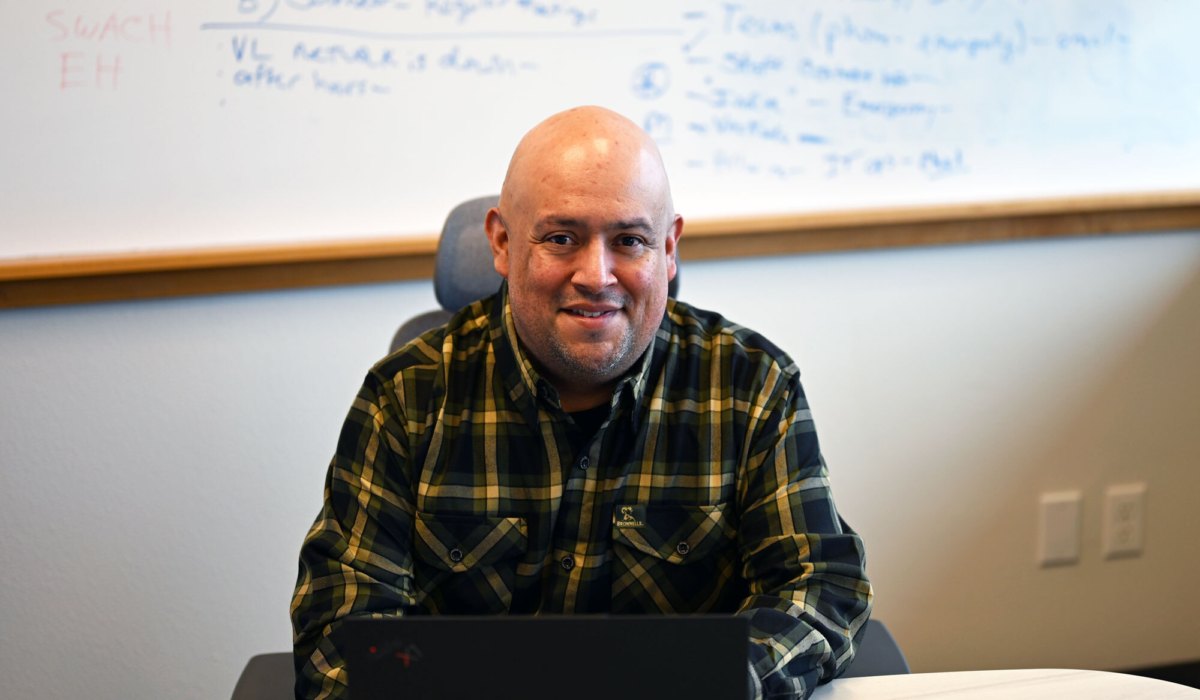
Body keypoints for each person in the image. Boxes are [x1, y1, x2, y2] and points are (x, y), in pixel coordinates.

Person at [290, 106, 873, 700]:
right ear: (502, 241)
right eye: (561, 238)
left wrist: (722, 684)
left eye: (629, 240)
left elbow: (819, 587)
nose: (596, 276)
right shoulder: (406, 397)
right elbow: (341, 630)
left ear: (667, 249)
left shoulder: (751, 387)